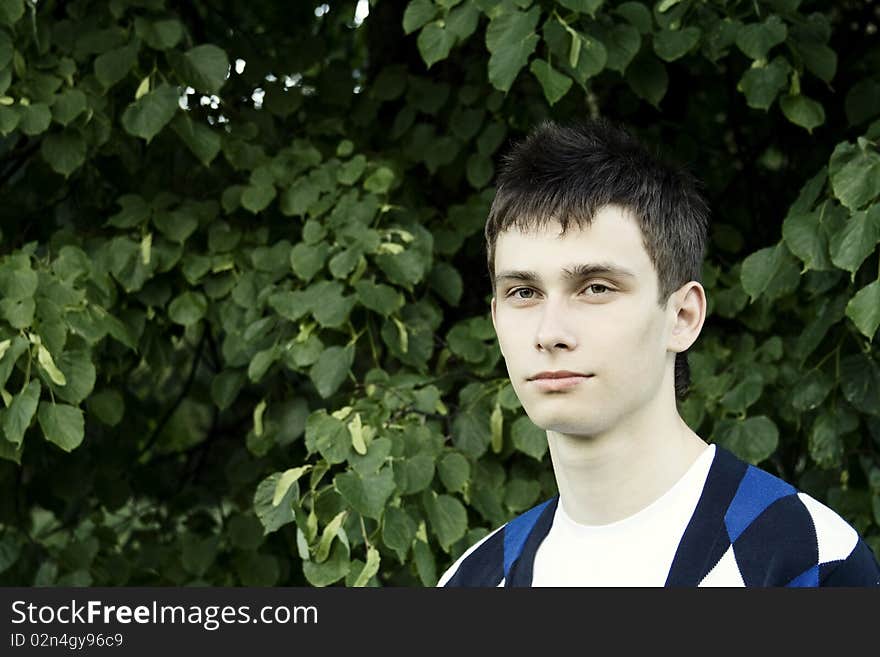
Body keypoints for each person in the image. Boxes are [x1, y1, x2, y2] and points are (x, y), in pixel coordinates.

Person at [438, 119, 880, 587]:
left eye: (595, 287)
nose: (550, 333)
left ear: (682, 316)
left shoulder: (805, 558)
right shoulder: (473, 579)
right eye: (524, 292)